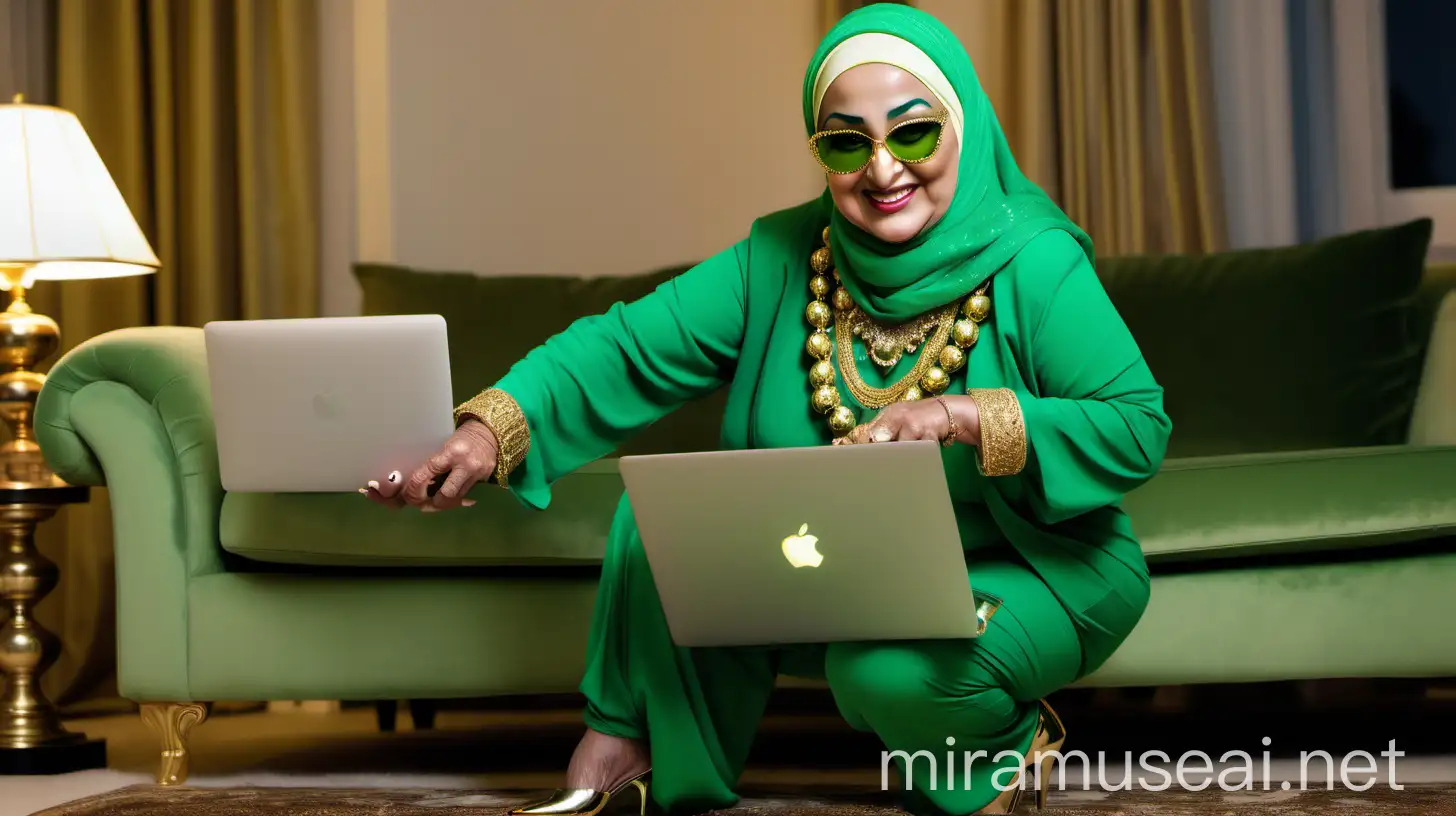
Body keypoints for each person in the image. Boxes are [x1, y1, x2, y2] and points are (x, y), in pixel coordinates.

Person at [365, 5, 1170, 815]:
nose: (884, 169)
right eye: (847, 142)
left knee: (881, 674)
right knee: (657, 523)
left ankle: (1004, 746)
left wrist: (962, 416)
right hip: (861, 573)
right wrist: (486, 431)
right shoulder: (783, 258)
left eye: (915, 133)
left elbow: (1138, 425)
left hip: (1033, 565)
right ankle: (636, 739)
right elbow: (622, 348)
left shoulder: (1036, 260)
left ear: (964, 124)